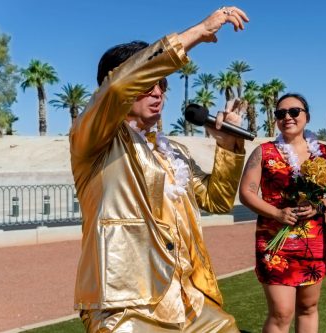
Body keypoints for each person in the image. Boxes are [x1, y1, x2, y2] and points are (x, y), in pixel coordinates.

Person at [70, 7, 249, 332]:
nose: (158, 92)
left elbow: (217, 200)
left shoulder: (173, 152)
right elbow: (116, 88)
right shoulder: (93, 140)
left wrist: (226, 145)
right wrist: (198, 32)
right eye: (148, 82)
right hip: (126, 306)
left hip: (190, 298)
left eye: (163, 84)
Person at [239, 93, 326, 332]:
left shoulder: (324, 154)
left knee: (309, 307)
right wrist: (277, 214)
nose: (287, 117)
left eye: (294, 111)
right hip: (274, 242)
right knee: (282, 313)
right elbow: (247, 193)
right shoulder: (264, 152)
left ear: (307, 116)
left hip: (312, 241)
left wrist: (319, 207)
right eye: (280, 113)